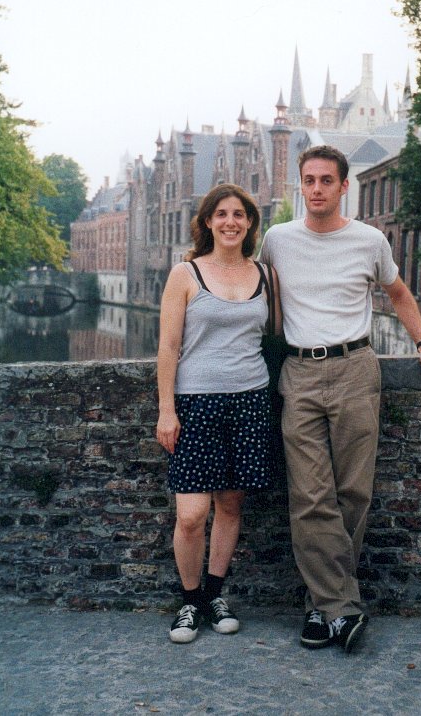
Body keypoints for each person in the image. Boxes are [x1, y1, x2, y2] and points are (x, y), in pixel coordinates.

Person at [260, 145, 421, 654]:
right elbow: (259, 296)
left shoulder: (369, 240)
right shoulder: (277, 240)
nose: (316, 189)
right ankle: (340, 607)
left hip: (356, 369)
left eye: (327, 180)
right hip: (299, 372)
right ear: (301, 185)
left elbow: (399, 293)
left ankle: (320, 608)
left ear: (345, 186)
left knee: (354, 493)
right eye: (309, 180)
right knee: (309, 495)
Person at [156, 183, 282, 644]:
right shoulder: (185, 274)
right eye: (222, 214)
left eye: (239, 215)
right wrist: (166, 410)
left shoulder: (266, 275)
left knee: (230, 504)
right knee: (191, 514)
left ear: (250, 223)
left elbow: (275, 336)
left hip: (250, 400)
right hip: (196, 403)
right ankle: (189, 602)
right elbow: (168, 346)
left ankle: (214, 595)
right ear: (208, 222)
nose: (231, 222)